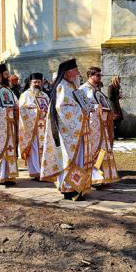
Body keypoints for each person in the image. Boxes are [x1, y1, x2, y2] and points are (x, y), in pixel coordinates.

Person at [41, 59, 95, 200]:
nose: (78, 72)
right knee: (68, 158)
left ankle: (78, 186)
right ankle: (68, 188)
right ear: (68, 72)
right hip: (67, 131)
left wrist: (90, 106)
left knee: (77, 158)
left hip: (77, 130)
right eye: (75, 70)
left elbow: (81, 101)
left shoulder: (72, 85)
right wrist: (81, 111)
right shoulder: (62, 86)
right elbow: (62, 108)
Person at [80, 67, 119, 185]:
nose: (99, 77)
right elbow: (83, 108)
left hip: (102, 125)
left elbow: (104, 104)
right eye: (97, 75)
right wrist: (98, 108)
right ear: (90, 76)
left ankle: (102, 177)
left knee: (103, 151)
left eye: (100, 75)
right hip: (91, 127)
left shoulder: (97, 90)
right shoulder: (83, 90)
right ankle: (93, 178)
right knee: (92, 152)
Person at [18, 73, 49, 179]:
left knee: (44, 148)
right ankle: (35, 171)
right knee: (34, 149)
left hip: (44, 126)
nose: (37, 84)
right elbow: (22, 109)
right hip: (32, 128)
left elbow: (48, 107)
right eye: (35, 82)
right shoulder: (25, 95)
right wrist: (37, 111)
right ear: (30, 83)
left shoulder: (44, 95)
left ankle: (43, 170)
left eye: (39, 82)